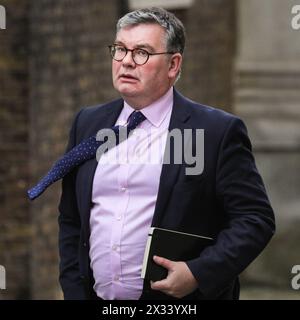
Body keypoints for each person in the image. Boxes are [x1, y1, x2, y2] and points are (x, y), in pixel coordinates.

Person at [45, 7, 275, 300]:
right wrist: (74, 291)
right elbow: (72, 218)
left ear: (173, 65)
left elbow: (255, 219)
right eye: (119, 50)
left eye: (142, 52)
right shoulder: (87, 123)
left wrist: (199, 273)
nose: (126, 62)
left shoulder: (216, 132)